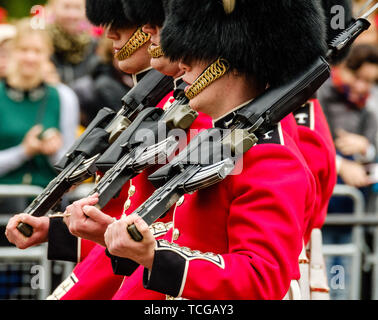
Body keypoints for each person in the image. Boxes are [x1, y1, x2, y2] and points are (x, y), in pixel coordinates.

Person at [65, 0, 325, 300]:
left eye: (195, 51)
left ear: (230, 59)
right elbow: (180, 238)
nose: (181, 62)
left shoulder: (272, 157)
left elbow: (260, 278)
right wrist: (114, 234)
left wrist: (154, 257)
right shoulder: (217, 138)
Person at [5, 0, 211, 300]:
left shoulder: (195, 119)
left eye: (127, 22)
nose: (110, 33)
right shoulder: (159, 107)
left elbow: (174, 236)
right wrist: (56, 230)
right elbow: (125, 221)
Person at [318, 43, 378, 299]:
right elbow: (309, 143)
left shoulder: (367, 110)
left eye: (371, 81)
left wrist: (366, 150)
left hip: (352, 214)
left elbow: (371, 148)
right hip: (319, 215)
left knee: (342, 288)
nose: (364, 87)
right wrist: (342, 164)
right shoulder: (318, 97)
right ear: (344, 68)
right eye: (360, 78)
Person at [0, 19, 79, 214]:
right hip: (3, 203)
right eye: (23, 50)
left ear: (47, 55)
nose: (30, 57)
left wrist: (53, 151)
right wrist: (24, 151)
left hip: (46, 206)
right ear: (11, 53)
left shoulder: (63, 96)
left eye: (37, 51)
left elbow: (72, 168)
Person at [46, 0, 98, 85]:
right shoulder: (43, 43)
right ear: (53, 8)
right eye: (66, 7)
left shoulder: (94, 45)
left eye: (78, 8)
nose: (72, 15)